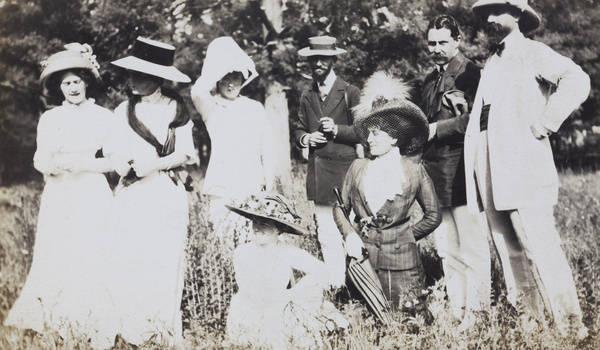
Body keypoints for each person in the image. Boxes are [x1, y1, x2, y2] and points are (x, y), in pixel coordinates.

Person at [465, 0, 590, 338]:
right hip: (490, 162)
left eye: (497, 11)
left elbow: (577, 80)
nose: (489, 19)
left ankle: (570, 326)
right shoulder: (492, 61)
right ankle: (532, 324)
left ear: (517, 14)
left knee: (539, 244)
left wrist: (545, 123)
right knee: (509, 249)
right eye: (485, 14)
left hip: (523, 162)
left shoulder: (533, 51)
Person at [3, 43, 117, 349]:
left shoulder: (104, 116)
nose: (72, 87)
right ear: (58, 87)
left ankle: (94, 322)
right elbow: (39, 158)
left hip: (92, 190)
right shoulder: (50, 119)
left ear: (87, 81)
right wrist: (50, 166)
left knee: (92, 251)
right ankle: (58, 321)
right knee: (59, 252)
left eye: (77, 80)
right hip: (60, 193)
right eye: (65, 82)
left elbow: (114, 161)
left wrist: (83, 163)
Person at [107, 37, 197, 346]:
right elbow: (112, 149)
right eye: (130, 74)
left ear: (157, 77)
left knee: (163, 258)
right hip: (132, 193)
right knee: (130, 257)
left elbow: (185, 153)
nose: (131, 81)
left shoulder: (176, 109)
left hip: (164, 192)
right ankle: (131, 329)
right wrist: (121, 164)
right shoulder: (123, 110)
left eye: (139, 75)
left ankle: (162, 329)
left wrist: (154, 164)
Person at [333, 71, 441, 322]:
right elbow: (340, 206)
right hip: (363, 263)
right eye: (368, 133)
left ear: (394, 138)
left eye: (376, 134)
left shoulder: (414, 170)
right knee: (366, 325)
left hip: (404, 268)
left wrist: (406, 236)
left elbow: (434, 214)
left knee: (409, 325)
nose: (369, 139)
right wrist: (349, 234)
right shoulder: (358, 167)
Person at [420, 15, 491, 328]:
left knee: (472, 246)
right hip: (436, 175)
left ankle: (478, 314)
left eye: (442, 42)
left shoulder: (471, 73)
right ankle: (457, 309)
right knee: (447, 248)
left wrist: (436, 129)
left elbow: (479, 117)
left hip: (464, 170)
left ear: (457, 41)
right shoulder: (427, 81)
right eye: (432, 43)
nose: (436, 48)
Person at [225, 193, 347, 349]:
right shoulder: (243, 252)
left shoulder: (287, 251)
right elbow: (253, 292)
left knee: (309, 302)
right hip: (251, 310)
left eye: (264, 224)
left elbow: (321, 269)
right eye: (255, 222)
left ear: (279, 229)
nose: (257, 228)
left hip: (278, 308)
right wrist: (290, 296)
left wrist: (304, 287)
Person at [191, 36, 276, 247]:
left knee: (255, 243)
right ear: (217, 79)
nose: (231, 83)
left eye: (236, 77)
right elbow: (197, 91)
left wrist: (269, 183)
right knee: (225, 242)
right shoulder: (212, 107)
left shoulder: (254, 108)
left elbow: (268, 147)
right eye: (225, 77)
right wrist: (219, 63)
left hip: (252, 185)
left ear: (243, 78)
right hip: (223, 187)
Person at [293, 35, 362, 289]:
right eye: (313, 59)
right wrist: (307, 138)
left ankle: (359, 287)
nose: (318, 63)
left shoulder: (350, 92)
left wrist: (336, 130)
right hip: (320, 176)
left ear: (334, 60)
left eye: (323, 58)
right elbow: (298, 130)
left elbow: (363, 132)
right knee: (326, 235)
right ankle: (337, 288)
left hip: (346, 175)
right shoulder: (307, 95)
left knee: (350, 234)